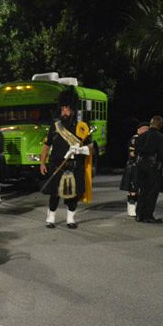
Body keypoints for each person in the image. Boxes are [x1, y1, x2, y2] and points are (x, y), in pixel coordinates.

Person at [40, 87, 92, 229]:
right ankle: (50, 218)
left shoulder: (82, 127)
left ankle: (70, 219)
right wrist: (42, 162)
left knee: (73, 194)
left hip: (74, 166)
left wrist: (81, 149)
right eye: (62, 109)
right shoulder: (55, 126)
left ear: (73, 111)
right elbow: (46, 145)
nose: (64, 112)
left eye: (67, 109)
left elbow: (91, 146)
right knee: (54, 193)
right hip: (57, 165)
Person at [134, 115, 163, 223]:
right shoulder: (160, 138)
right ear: (160, 125)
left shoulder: (142, 136)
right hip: (153, 167)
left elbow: (136, 149)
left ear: (151, 124)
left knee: (143, 190)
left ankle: (139, 215)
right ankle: (148, 215)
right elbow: (162, 154)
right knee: (152, 192)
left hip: (140, 165)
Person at [120, 122, 149, 217]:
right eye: (144, 129)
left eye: (147, 129)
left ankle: (136, 207)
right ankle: (131, 207)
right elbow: (133, 154)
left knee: (140, 188)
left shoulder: (145, 139)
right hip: (133, 166)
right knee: (133, 188)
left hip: (141, 166)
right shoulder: (134, 139)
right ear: (139, 130)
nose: (146, 131)